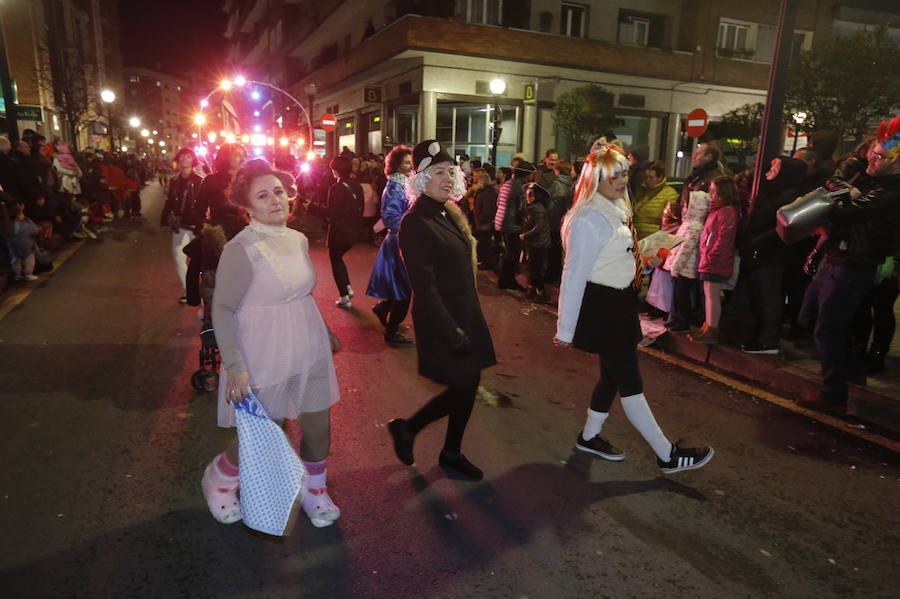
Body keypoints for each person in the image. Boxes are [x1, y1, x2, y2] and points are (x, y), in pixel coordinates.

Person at [554, 143, 714, 473]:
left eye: (625, 173)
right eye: (614, 175)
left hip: (619, 302)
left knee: (612, 378)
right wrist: (565, 329)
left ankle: (589, 436)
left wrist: (647, 254)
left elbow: (614, 256)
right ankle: (667, 454)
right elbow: (574, 274)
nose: (621, 180)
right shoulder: (588, 217)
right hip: (604, 306)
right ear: (596, 177)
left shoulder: (612, 210)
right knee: (629, 381)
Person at [205, 159, 342, 528]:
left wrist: (324, 330)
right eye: (262, 196)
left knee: (318, 427)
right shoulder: (241, 249)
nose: (274, 200)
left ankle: (315, 492)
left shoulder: (296, 239)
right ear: (247, 207)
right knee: (264, 431)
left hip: (307, 343)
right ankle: (220, 479)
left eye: (279, 191)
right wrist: (234, 365)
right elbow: (223, 308)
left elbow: (301, 294)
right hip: (261, 351)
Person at [387, 139, 496, 481]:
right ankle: (421, 436)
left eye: (451, 171)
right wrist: (451, 329)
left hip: (464, 312)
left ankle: (433, 443)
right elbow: (424, 285)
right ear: (420, 178)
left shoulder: (448, 211)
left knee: (468, 382)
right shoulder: (415, 222)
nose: (448, 177)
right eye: (438, 172)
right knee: (464, 383)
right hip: (441, 319)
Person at [799, 117, 900, 409]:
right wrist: (847, 187)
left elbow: (844, 211)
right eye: (872, 152)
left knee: (828, 328)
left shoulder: (891, 191)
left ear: (895, 163)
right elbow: (832, 177)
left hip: (854, 264)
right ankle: (852, 369)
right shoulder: (871, 176)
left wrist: (844, 193)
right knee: (809, 319)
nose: (871, 158)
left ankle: (833, 395)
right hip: (837, 257)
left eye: (879, 156)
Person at [739, 157, 807, 354]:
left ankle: (768, 340)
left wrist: (755, 242)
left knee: (768, 297)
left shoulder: (788, 196)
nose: (770, 169)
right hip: (758, 251)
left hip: (770, 254)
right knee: (758, 296)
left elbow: (781, 228)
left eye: (776, 166)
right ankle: (761, 336)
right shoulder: (772, 192)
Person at [366, 145, 414, 344]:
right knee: (404, 289)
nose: (410, 164)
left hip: (402, 240)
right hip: (399, 242)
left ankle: (383, 308)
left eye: (411, 161)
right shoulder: (395, 186)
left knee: (400, 286)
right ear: (395, 164)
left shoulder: (406, 183)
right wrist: (413, 228)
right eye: (406, 161)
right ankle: (392, 332)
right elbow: (391, 217)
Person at [689, 175, 740, 345]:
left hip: (715, 260)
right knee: (709, 294)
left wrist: (712, 255)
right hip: (710, 258)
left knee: (712, 295)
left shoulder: (726, 211)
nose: (710, 193)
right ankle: (708, 326)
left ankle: (712, 328)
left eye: (713, 190)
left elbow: (724, 237)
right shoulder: (717, 209)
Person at [160, 148, 204, 302]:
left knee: (200, 260)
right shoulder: (174, 181)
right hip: (180, 224)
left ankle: (204, 289)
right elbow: (170, 201)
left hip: (197, 226)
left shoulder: (200, 181)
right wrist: (164, 220)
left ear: (193, 160)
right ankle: (189, 291)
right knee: (179, 257)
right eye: (182, 157)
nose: (184, 159)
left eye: (188, 157)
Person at [322, 155, 364, 308]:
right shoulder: (357, 186)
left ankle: (344, 295)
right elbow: (361, 210)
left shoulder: (336, 188)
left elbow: (331, 213)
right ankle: (346, 287)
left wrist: (311, 207)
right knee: (338, 258)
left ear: (335, 170)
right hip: (353, 231)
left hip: (339, 232)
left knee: (335, 259)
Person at [494, 160, 536, 290]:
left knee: (509, 252)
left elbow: (498, 203)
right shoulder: (521, 188)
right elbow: (522, 208)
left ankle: (505, 279)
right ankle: (507, 281)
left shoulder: (506, 184)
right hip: (512, 225)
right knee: (512, 254)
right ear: (526, 175)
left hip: (501, 221)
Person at [195, 144, 246, 224]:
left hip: (246, 233)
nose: (243, 159)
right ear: (225, 157)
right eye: (237, 155)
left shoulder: (249, 181)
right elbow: (199, 211)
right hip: (220, 232)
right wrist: (207, 228)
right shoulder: (211, 181)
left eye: (244, 155)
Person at [520, 182, 551, 301]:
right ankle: (533, 288)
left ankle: (539, 291)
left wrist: (525, 236)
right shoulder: (533, 207)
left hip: (539, 243)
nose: (527, 198)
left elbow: (539, 228)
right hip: (535, 243)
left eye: (530, 195)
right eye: (527, 195)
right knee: (533, 267)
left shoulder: (538, 209)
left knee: (536, 268)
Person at [632, 160, 678, 239]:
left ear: (660, 178)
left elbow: (669, 223)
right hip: (636, 237)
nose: (647, 180)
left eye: (651, 177)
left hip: (653, 238)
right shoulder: (640, 191)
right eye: (646, 177)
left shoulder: (670, 194)